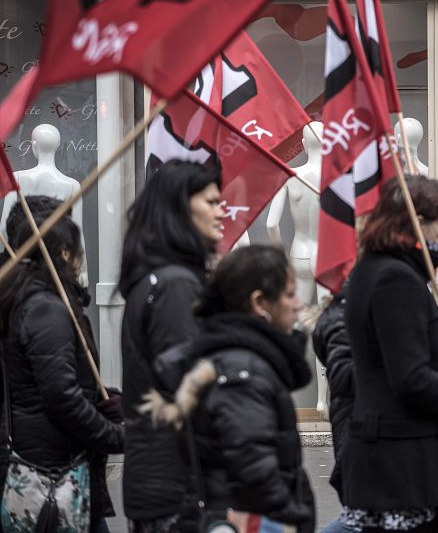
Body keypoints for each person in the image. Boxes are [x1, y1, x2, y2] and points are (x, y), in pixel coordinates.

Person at [336, 175, 438, 533]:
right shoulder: (395, 278)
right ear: (418, 224)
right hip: (405, 462)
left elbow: (415, 350)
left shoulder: (377, 270)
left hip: (398, 459)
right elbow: (410, 377)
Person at [141, 245, 315, 533]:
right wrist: (291, 519)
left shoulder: (239, 360)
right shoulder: (242, 372)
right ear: (260, 303)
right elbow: (255, 470)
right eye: (288, 294)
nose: (298, 304)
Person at [0, 197, 124, 533]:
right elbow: (60, 396)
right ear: (64, 252)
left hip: (56, 466)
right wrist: (113, 435)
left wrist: (104, 399)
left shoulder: (39, 300)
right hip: (53, 473)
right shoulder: (45, 308)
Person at [117, 160, 224, 532]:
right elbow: (192, 388)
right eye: (210, 202)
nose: (221, 211)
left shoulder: (157, 278)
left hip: (162, 479)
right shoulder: (175, 286)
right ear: (180, 209)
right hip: (178, 482)